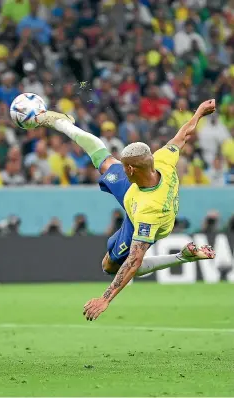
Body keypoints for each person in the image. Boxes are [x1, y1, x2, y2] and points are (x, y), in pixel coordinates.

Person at [38, 102, 218, 321]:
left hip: (142, 213)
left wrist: (105, 298)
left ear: (130, 169)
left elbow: (134, 261)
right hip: (136, 190)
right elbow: (183, 135)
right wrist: (199, 113)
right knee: (102, 158)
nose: (120, 167)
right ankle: (63, 123)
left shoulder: (148, 212)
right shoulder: (162, 160)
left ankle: (182, 257)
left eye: (124, 166)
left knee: (111, 265)